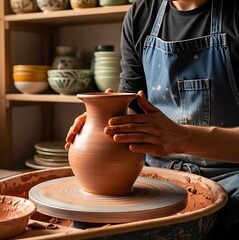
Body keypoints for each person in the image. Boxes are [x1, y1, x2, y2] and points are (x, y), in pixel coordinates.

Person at [65, 0, 239, 239]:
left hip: (231, 177)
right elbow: (132, 108)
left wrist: (184, 139)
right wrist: (106, 118)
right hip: (158, 175)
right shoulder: (140, 16)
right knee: (84, 227)